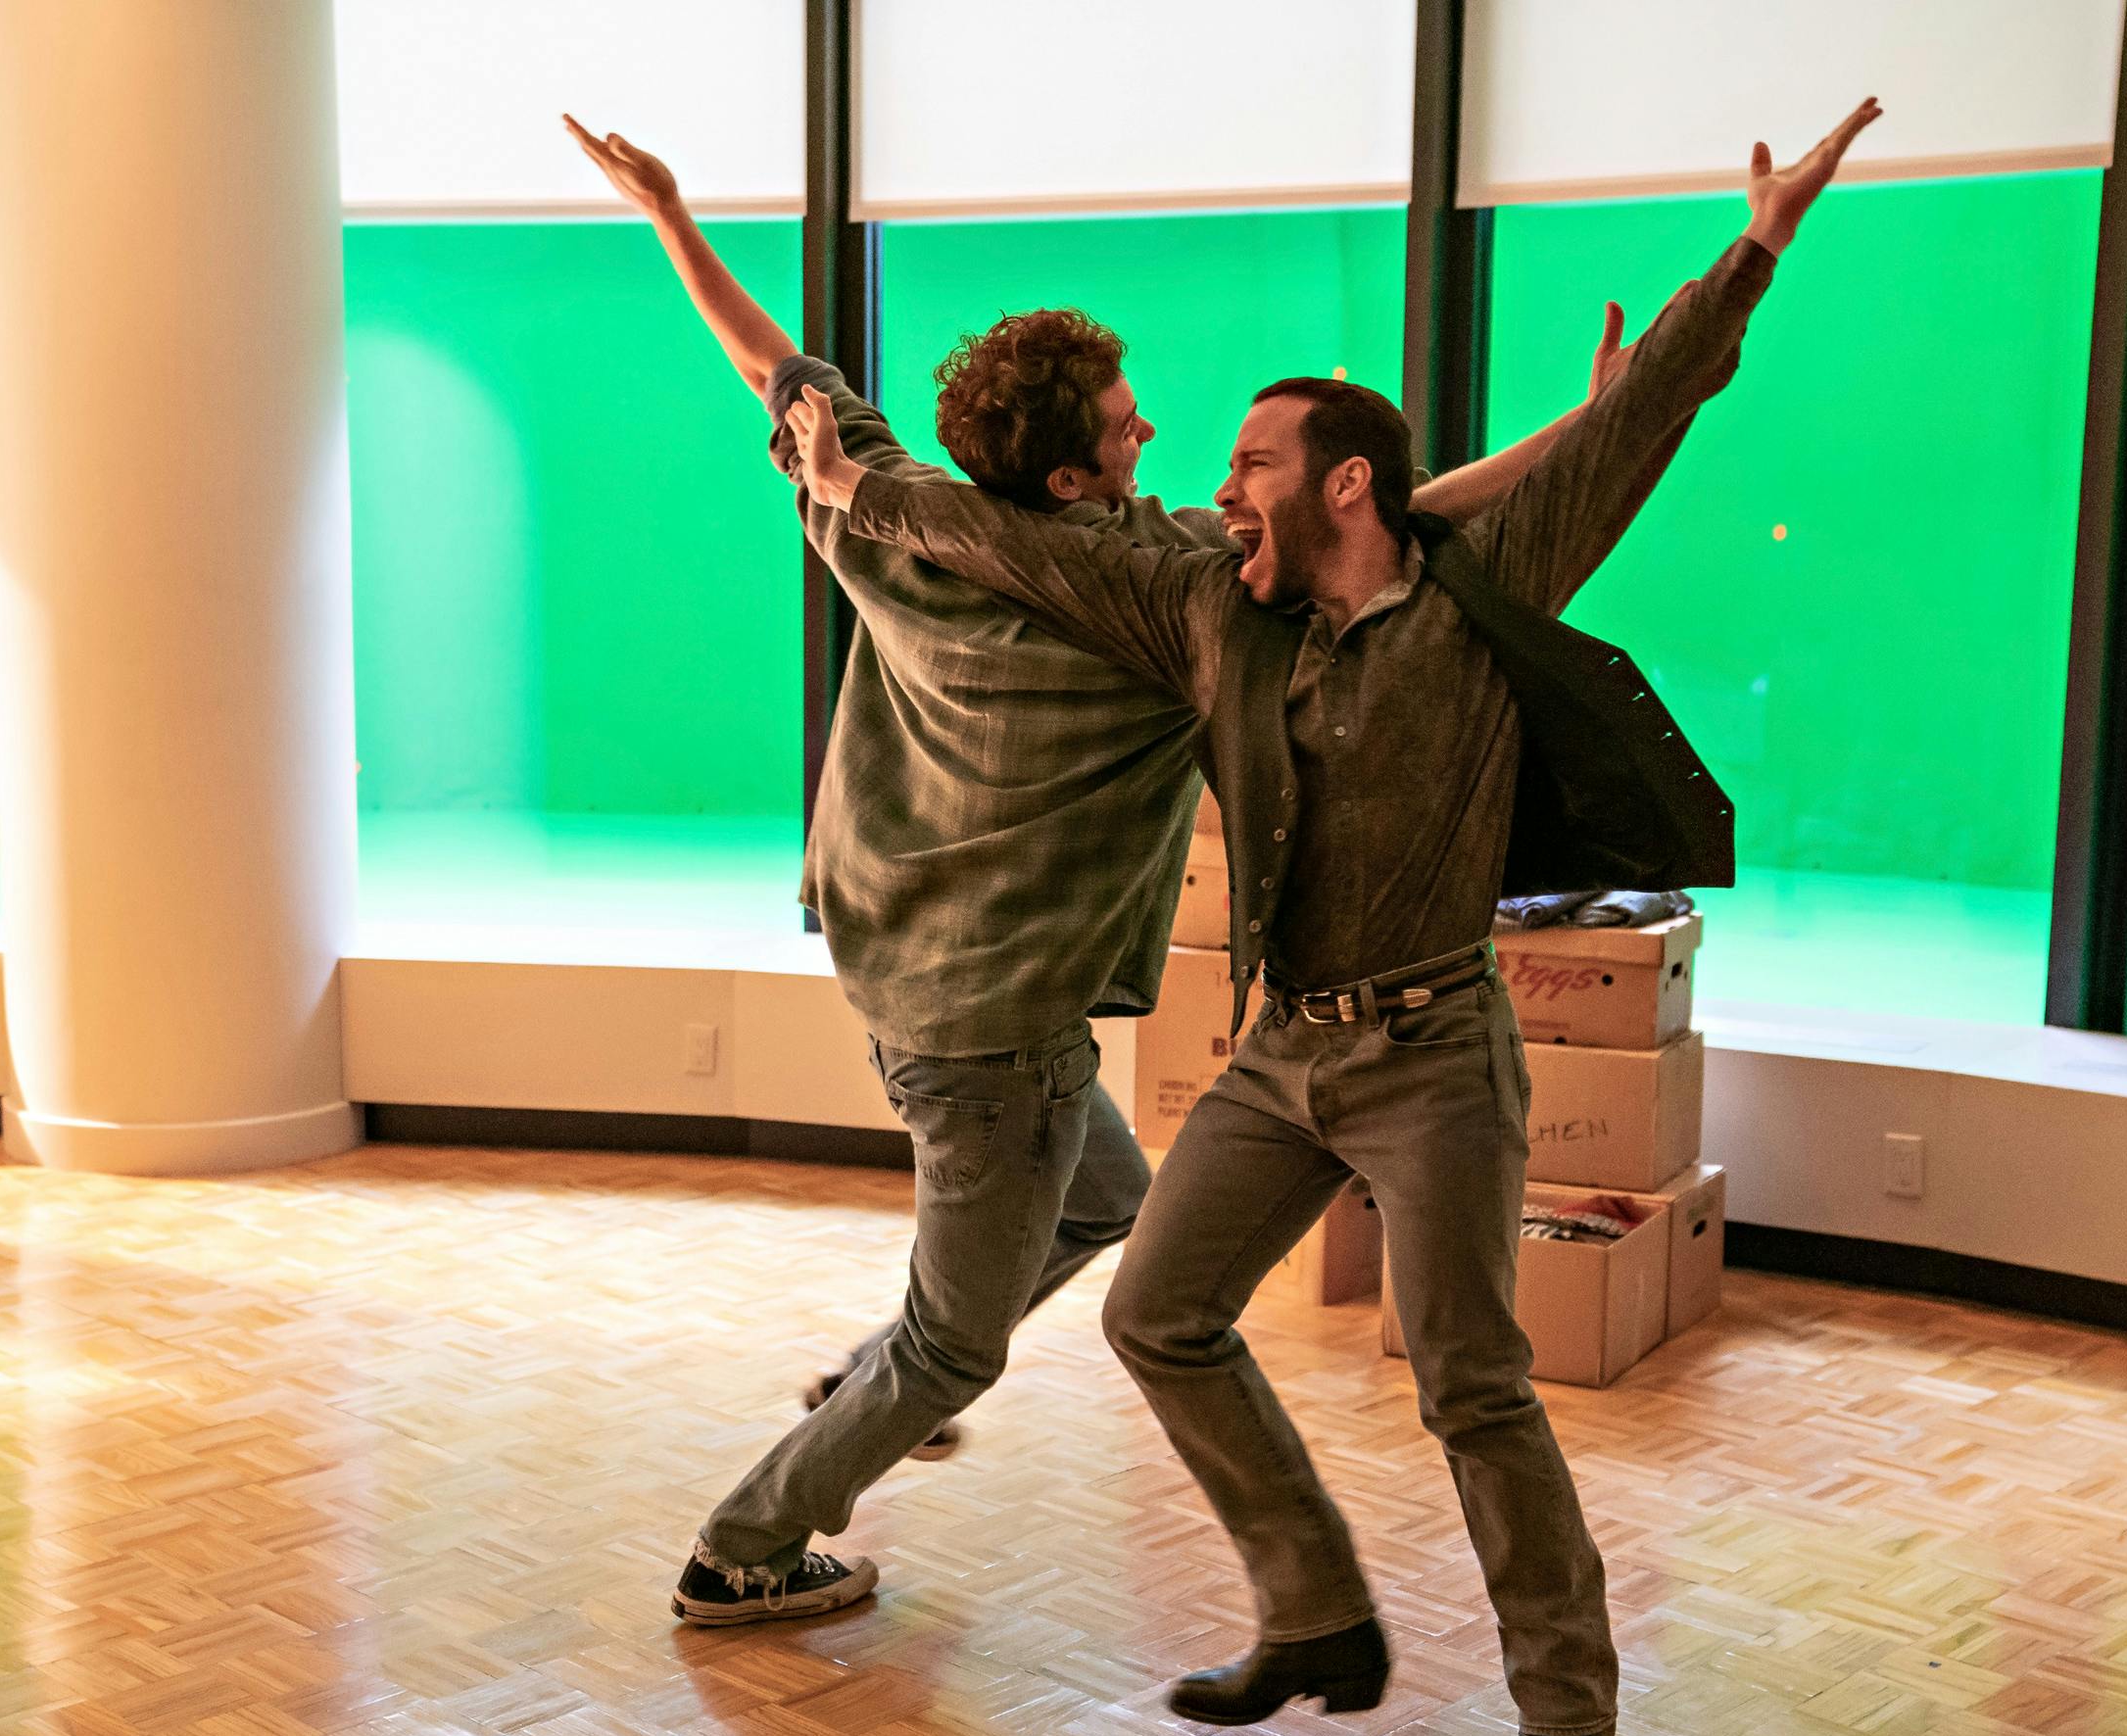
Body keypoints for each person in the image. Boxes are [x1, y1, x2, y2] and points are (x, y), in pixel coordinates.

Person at [785, 102, 1882, 1736]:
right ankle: (1315, 1614)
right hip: (1278, 1055)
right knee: (1156, 1312)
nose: (1215, 490)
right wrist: (847, 474)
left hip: (1438, 1054)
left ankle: (1566, 1724)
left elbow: (1645, 423)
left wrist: (1752, 250)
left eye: (1250, 466)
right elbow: (1022, 543)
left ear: (1343, 483)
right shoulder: (1215, 615)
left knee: (1470, 1383)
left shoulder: (1481, 588)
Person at [562, 119, 1630, 1629]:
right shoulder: (1146, 598)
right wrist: (1576, 437)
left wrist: (670, 219)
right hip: (1001, 1033)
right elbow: (1386, 518)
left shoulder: (890, 530)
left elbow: (778, 373)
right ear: (1071, 476)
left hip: (900, 980)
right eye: (1127, 427)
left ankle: (875, 1382)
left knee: (1098, 1206)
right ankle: (746, 1543)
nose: (1152, 437)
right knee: (958, 1345)